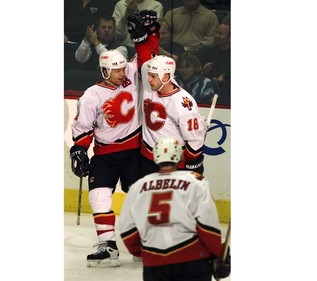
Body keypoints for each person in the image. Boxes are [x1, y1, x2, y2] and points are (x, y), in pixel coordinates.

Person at [119, 136, 230, 281]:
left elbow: (128, 230)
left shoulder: (138, 186)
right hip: (192, 261)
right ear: (179, 155)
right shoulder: (195, 181)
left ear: (155, 156)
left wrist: (145, 253)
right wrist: (217, 253)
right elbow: (207, 225)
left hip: (154, 264)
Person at [70, 48, 141, 267]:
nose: (122, 73)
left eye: (122, 69)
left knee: (141, 197)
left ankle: (144, 244)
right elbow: (83, 127)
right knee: (99, 197)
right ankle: (107, 245)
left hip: (134, 151)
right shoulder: (92, 95)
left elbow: (146, 55)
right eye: (116, 70)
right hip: (105, 153)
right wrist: (79, 149)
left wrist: (145, 36)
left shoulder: (131, 75)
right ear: (104, 71)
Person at [127, 13, 206, 178]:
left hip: (172, 163)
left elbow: (194, 139)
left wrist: (194, 163)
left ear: (166, 76)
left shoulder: (183, 103)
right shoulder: (153, 82)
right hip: (147, 158)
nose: (147, 80)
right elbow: (146, 59)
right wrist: (147, 34)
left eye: (153, 76)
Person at [195, 22, 230, 106]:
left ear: (230, 37)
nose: (216, 36)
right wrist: (203, 72)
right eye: (216, 32)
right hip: (206, 94)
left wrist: (225, 77)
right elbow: (193, 75)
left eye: (220, 34)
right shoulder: (205, 51)